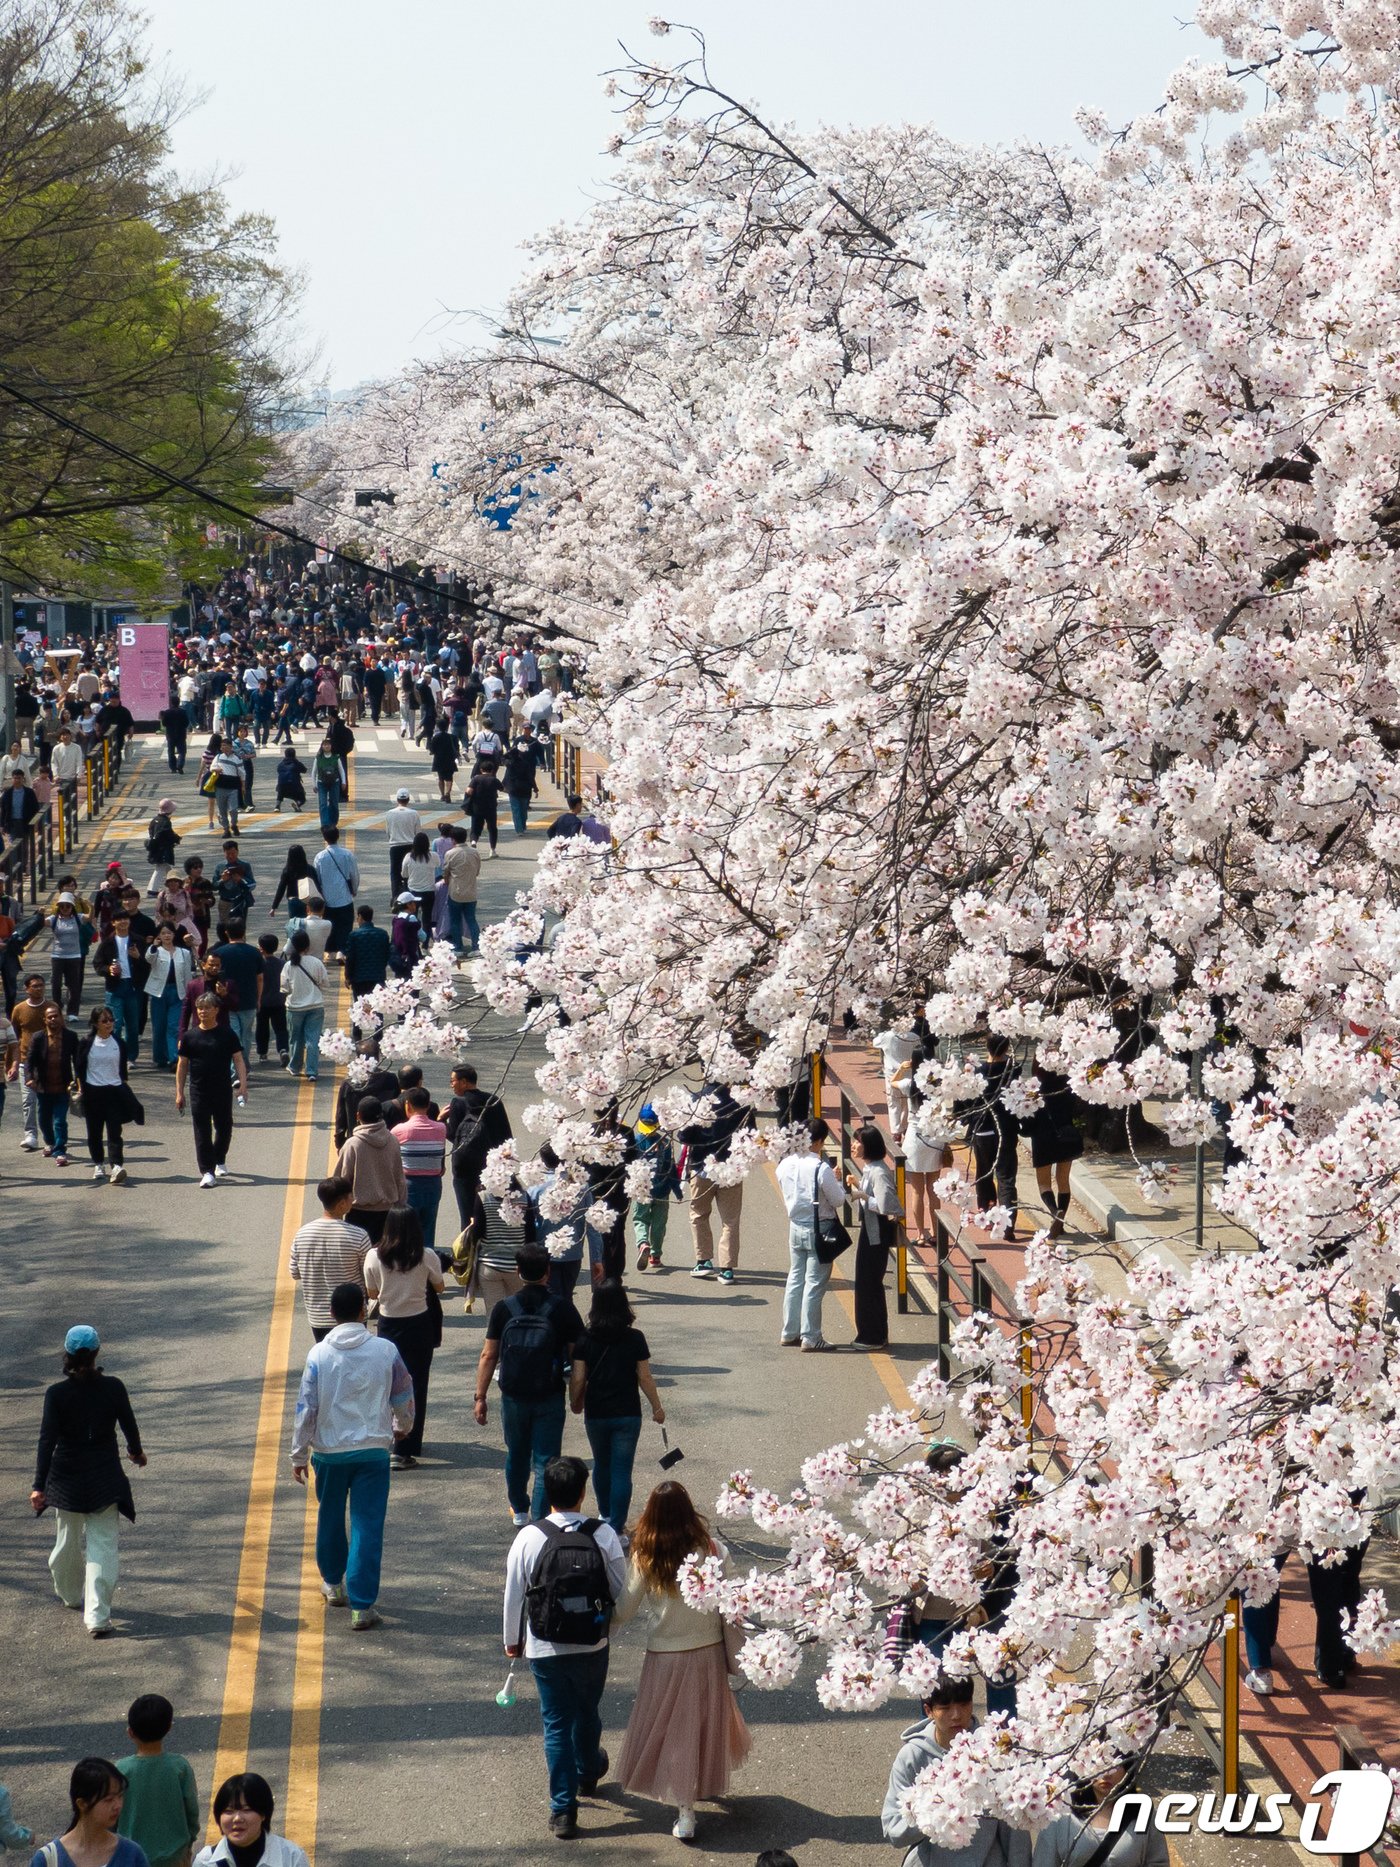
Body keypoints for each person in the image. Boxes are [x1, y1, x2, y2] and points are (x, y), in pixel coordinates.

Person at [613, 1480, 752, 1843]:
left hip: (665, 1656)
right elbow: (736, 1602)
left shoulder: (647, 1553)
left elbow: (625, 1608)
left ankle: (686, 1812)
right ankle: (698, 1790)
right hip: (707, 1652)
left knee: (675, 1734)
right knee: (702, 1727)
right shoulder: (713, 1549)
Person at [502, 1455, 628, 1840]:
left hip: (545, 1645)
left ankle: (563, 1810)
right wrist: (606, 1627)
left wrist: (513, 1641)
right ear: (583, 1491)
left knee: (556, 1723)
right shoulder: (602, 1534)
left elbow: (513, 1595)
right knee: (587, 1711)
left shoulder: (530, 1536)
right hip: (593, 1643)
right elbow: (621, 1589)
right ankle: (588, 1770)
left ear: (549, 1496)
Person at [289, 1281, 415, 1632]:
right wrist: (401, 1427)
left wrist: (299, 1453)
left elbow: (306, 1408)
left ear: (331, 1313)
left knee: (329, 1516)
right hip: (373, 1452)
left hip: (329, 1453)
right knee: (367, 1525)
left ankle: (332, 1584)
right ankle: (362, 1605)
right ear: (364, 1311)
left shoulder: (318, 1355)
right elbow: (403, 1394)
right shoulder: (385, 1350)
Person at [30, 1325, 146, 1637]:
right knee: (103, 1546)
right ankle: (97, 1616)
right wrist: (136, 1453)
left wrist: (38, 1485)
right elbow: (128, 1426)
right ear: (96, 1353)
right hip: (104, 1478)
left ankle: (70, 1594)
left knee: (66, 1541)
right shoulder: (113, 1387)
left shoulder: (57, 1394)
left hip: (66, 1481)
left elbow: (47, 1441)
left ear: (66, 1354)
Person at [475, 1246, 584, 1524]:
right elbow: (578, 1356)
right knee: (546, 1460)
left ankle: (519, 1510)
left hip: (513, 1393)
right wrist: (577, 1394)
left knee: (517, 1452)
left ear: (518, 1271)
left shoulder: (504, 1309)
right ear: (548, 1272)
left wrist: (480, 1396)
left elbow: (489, 1354)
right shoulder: (562, 1308)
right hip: (549, 1393)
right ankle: (539, 1517)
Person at [882, 1679, 1030, 1867]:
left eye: (964, 1704)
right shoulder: (912, 1756)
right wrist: (930, 1816)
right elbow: (894, 1831)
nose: (956, 1715)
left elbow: (1015, 1832)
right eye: (945, 1708)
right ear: (929, 1711)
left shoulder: (992, 1752)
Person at [569, 1280, 665, 1534]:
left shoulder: (585, 1339)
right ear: (624, 1305)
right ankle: (617, 1526)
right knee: (622, 1469)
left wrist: (574, 1401)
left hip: (597, 1411)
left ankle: (605, 1513)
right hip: (628, 1412)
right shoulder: (635, 1338)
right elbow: (644, 1376)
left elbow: (578, 1377)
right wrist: (657, 1406)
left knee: (601, 1464)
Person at [364, 1204, 445, 1469]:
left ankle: (388, 1439)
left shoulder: (374, 1256)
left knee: (388, 1383)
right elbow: (440, 1286)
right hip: (419, 1325)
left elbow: (373, 1293)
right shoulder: (425, 1255)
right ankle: (407, 1446)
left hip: (388, 1325)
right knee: (416, 1383)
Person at [775, 1118, 844, 1352]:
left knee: (795, 1278)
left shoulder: (785, 1164)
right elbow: (838, 1200)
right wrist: (838, 1182)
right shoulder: (821, 1168)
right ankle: (811, 1336)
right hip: (820, 1227)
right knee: (814, 1283)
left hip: (795, 1225)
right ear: (821, 1141)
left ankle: (789, 1331)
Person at [679, 1082, 754, 1283]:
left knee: (699, 1214)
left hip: (702, 1167)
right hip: (732, 1168)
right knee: (730, 1219)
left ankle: (703, 1261)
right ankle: (727, 1268)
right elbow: (751, 1134)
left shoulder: (696, 1099)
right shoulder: (741, 1101)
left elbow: (683, 1134)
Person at [117, 1695, 200, 1867]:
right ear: (169, 1727)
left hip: (130, 1858)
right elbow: (191, 1809)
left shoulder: (120, 1770)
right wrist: (189, 1840)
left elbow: (111, 1815)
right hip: (174, 1857)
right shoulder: (179, 1767)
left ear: (130, 1732)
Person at [176, 993, 247, 1189]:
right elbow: (182, 1065)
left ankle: (219, 1158)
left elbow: (238, 1060)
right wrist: (179, 1092)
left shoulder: (227, 1034)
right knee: (202, 1130)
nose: (202, 1011)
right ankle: (207, 1171)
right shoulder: (190, 1037)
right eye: (199, 1008)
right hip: (199, 1090)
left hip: (222, 1089)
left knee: (224, 1127)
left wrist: (243, 1084)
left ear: (216, 1010)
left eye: (207, 1008)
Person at [1031, 1767, 1167, 1867]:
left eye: (1115, 1765)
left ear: (1128, 1768)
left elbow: (1158, 1862)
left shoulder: (1144, 1814)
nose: (1106, 1774)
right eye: (1098, 1764)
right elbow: (1043, 1862)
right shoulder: (1060, 1814)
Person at [290, 1176, 370, 1342]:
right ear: (341, 1204)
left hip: (318, 1315)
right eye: (350, 1198)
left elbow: (295, 1272)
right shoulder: (359, 1236)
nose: (353, 1201)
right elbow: (369, 1275)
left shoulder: (302, 1234)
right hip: (353, 1314)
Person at [30, 1759, 151, 1867]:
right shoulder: (47, 1859)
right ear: (82, 1804)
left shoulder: (132, 1854)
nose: (118, 1805)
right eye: (108, 1800)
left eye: (120, 1796)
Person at [846, 1123, 903, 1349]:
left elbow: (886, 1205)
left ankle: (872, 1336)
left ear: (868, 1146)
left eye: (858, 1141)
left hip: (876, 1232)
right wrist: (859, 1185)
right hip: (870, 1230)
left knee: (867, 1284)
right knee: (869, 1283)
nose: (854, 1145)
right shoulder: (872, 1168)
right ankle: (875, 1333)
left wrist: (861, 1194)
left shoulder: (879, 1172)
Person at [191, 1773, 309, 1867]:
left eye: (246, 1810)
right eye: (228, 1811)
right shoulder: (206, 1861)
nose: (237, 1818)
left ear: (263, 1814)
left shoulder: (291, 1857)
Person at [333, 1096, 407, 1243]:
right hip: (388, 1212)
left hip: (358, 1213)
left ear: (358, 1116)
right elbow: (400, 1178)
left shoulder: (353, 1144)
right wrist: (401, 1207)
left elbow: (342, 1180)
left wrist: (337, 1212)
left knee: (359, 1258)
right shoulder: (392, 1140)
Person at [1024, 1068, 1083, 1239]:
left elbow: (1027, 1117)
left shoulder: (1035, 1091)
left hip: (1042, 1138)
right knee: (1063, 1181)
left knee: (1044, 1183)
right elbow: (1078, 1110)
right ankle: (1061, 1220)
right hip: (1066, 1135)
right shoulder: (1069, 1088)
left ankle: (1054, 1210)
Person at [77, 1006, 133, 1185]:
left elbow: (122, 1070)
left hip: (114, 1091)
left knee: (115, 1132)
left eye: (111, 1019)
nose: (109, 1023)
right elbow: (79, 1068)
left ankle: (116, 1166)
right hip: (93, 1092)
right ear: (95, 1024)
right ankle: (98, 1163)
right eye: (104, 1020)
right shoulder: (87, 1042)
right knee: (94, 1132)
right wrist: (80, 1089)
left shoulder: (119, 1042)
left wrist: (124, 1089)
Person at [391, 1085, 448, 1251]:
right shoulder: (441, 1129)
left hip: (408, 1185)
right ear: (428, 1105)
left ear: (407, 1105)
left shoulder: (399, 1130)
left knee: (406, 1229)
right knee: (428, 1229)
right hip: (433, 1184)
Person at [25, 1000, 78, 1165]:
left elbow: (77, 1061)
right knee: (43, 1119)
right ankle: (50, 1142)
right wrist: (29, 1078)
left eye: (56, 1016)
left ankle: (60, 1151)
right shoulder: (38, 1037)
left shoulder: (70, 1037)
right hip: (43, 1088)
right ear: (45, 1020)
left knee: (59, 1120)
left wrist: (79, 1082)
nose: (53, 1019)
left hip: (63, 1087)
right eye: (50, 1017)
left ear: (61, 1018)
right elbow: (29, 1061)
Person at [631, 1103, 682, 1272]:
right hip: (662, 1190)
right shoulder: (665, 1143)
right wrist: (678, 1190)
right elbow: (670, 1168)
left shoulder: (636, 1142)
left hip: (641, 1190)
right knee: (659, 1223)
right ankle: (655, 1255)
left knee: (640, 1219)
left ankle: (643, 1243)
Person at [12, 973, 54, 1150]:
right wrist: (11, 1063)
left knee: (47, 1101)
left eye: (41, 985)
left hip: (48, 1061)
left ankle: (50, 1135)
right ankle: (31, 1135)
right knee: (28, 1100)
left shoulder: (52, 1008)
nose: (39, 988)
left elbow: (61, 1032)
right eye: (35, 986)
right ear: (26, 989)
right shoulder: (19, 1009)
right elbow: (14, 1036)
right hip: (25, 1062)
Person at [211, 920, 261, 1062]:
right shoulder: (254, 952)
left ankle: (236, 1068)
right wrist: (258, 999)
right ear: (244, 932)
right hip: (249, 999)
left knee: (233, 1034)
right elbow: (260, 978)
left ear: (226, 933)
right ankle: (242, 1065)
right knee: (246, 1035)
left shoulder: (219, 953)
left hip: (226, 1000)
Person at [282, 928, 328, 1083]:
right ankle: (312, 1071)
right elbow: (324, 982)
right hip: (316, 1006)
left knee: (295, 1039)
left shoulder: (288, 965)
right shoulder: (316, 962)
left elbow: (284, 988)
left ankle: (295, 1067)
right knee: (313, 1040)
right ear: (308, 946)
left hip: (295, 1007)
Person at [312, 826, 359, 955]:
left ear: (325, 839)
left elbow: (318, 879)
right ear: (338, 836)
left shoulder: (320, 857)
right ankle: (342, 951)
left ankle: (330, 951)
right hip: (344, 897)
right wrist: (354, 889)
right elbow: (354, 874)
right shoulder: (347, 854)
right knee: (345, 926)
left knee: (329, 927)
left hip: (327, 899)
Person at [47, 891, 92, 1018]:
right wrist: (40, 913)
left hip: (74, 956)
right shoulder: (54, 919)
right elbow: (43, 922)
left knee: (74, 985)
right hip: (57, 956)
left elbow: (89, 917)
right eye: (62, 906)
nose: (65, 909)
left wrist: (91, 906)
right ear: (58, 907)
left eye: (68, 906)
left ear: (72, 907)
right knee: (56, 983)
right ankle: (57, 1008)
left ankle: (73, 1012)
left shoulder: (78, 917)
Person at [440, 826, 481, 955]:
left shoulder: (450, 854)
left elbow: (445, 873)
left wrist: (446, 881)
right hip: (471, 891)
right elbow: (477, 872)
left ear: (453, 840)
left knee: (455, 920)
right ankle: (476, 947)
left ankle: (458, 947)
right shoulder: (474, 853)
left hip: (455, 891)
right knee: (471, 920)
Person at [254, 933, 289, 1066]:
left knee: (262, 1028)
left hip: (262, 1002)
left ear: (261, 948)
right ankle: (283, 1049)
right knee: (281, 1028)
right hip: (279, 1001)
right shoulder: (282, 963)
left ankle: (262, 1053)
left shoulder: (258, 964)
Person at [385, 788, 423, 902]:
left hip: (395, 846)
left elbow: (388, 831)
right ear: (408, 799)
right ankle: (408, 896)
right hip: (410, 846)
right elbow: (418, 833)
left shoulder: (390, 813)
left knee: (395, 873)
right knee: (409, 872)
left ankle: (396, 898)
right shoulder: (414, 813)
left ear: (397, 799)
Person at [501, 729, 539, 834]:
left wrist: (511, 750)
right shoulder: (525, 764)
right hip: (525, 789)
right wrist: (535, 788)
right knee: (523, 810)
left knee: (516, 810)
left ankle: (519, 829)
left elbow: (503, 757)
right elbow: (530, 777)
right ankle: (523, 825)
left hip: (513, 789)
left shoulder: (509, 764)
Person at [402, 831, 439, 931]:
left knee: (412, 916)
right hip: (429, 891)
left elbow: (404, 875)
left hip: (413, 891)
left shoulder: (408, 857)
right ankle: (426, 941)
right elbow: (438, 865)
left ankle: (415, 936)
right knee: (427, 917)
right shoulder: (433, 856)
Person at [209, 738, 245, 836]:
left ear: (231, 747)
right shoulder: (219, 757)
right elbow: (212, 767)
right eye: (222, 746)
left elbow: (242, 774)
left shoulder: (237, 759)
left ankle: (234, 824)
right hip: (220, 786)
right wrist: (217, 769)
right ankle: (226, 829)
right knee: (222, 810)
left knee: (233, 809)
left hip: (233, 787)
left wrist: (243, 786)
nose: (223, 747)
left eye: (225, 745)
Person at [466, 758, 501, 854]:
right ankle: (492, 849)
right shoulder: (494, 780)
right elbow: (503, 788)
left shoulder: (476, 779)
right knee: (492, 828)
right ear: (492, 770)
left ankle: (473, 841)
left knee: (475, 827)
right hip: (491, 807)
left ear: (481, 770)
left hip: (477, 807)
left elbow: (468, 791)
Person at [269, 845, 313, 920]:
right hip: (308, 900)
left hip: (293, 901)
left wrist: (274, 906)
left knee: (295, 925)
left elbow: (281, 888)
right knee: (307, 924)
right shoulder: (310, 869)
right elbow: (318, 885)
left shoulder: (287, 870)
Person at [313, 733, 341, 829]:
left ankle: (333, 822)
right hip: (322, 783)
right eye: (324, 744)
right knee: (323, 804)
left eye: (328, 744)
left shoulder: (336, 757)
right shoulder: (318, 758)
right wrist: (314, 784)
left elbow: (341, 770)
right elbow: (314, 772)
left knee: (334, 803)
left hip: (334, 783)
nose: (326, 746)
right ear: (322, 746)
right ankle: (325, 824)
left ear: (331, 746)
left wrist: (344, 782)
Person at [273, 746, 307, 811]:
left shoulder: (281, 764)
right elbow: (304, 770)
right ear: (294, 754)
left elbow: (278, 770)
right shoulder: (296, 763)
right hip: (294, 786)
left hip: (281, 787)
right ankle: (298, 803)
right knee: (302, 797)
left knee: (281, 791)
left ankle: (277, 806)